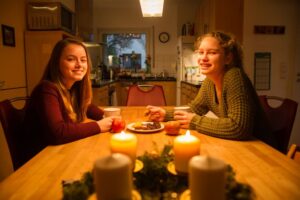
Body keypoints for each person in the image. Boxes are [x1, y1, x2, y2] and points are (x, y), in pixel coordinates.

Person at [147, 31, 270, 140]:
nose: (203, 58)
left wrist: (195, 122)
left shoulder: (234, 76)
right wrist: (166, 114)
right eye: (200, 52)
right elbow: (195, 109)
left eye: (212, 53)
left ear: (228, 58)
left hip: (262, 151)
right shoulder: (209, 81)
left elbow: (239, 128)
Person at [24, 38, 116, 156]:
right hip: (40, 160)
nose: (79, 65)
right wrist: (98, 126)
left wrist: (107, 116)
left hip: (60, 152)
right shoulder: (46, 89)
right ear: (56, 63)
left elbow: (86, 107)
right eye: (71, 59)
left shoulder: (71, 89)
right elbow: (58, 132)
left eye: (83, 60)